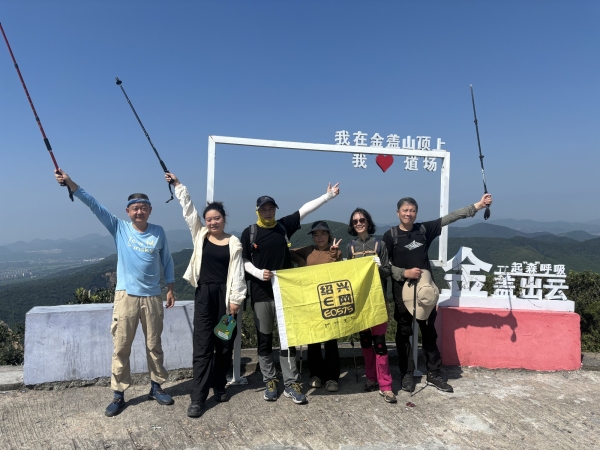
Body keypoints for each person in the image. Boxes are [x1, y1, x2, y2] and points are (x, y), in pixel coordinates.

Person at [54, 169, 175, 418]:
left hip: (153, 296)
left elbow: (167, 261)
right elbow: (94, 205)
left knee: (154, 345)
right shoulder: (119, 228)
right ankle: (118, 393)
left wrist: (170, 288)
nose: (139, 212)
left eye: (143, 208)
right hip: (125, 296)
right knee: (121, 346)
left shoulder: (159, 232)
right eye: (135, 208)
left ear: (150, 210)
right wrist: (70, 183)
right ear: (128, 211)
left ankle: (156, 386)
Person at [382, 193, 493, 394]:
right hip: (402, 291)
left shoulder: (424, 230)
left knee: (429, 332)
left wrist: (478, 205)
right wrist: (404, 273)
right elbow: (384, 265)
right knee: (404, 332)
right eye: (405, 210)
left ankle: (433, 373)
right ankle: (406, 373)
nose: (408, 214)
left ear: (416, 213)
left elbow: (451, 217)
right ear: (398, 213)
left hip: (426, 291)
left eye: (412, 210)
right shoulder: (390, 236)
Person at [242, 183, 340, 405]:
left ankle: (291, 382)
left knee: (288, 340)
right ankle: (269, 380)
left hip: (286, 294)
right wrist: (257, 272)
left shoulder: (283, 227)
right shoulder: (250, 232)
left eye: (271, 208)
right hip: (260, 293)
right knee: (264, 339)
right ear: (258, 211)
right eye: (264, 209)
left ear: (275, 209)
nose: (268, 212)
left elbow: (304, 210)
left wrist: (327, 196)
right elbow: (244, 260)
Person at [166, 173, 246, 418]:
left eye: (216, 218)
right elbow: (189, 212)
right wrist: (178, 186)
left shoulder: (234, 242)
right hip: (203, 295)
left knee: (224, 344)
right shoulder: (200, 235)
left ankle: (219, 385)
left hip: (226, 298)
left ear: (224, 219)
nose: (212, 222)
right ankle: (197, 398)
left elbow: (238, 273)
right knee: (202, 347)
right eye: (209, 219)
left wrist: (235, 300)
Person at [346, 208, 396, 404]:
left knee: (380, 345)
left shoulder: (379, 244)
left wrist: (379, 268)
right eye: (355, 221)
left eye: (362, 220)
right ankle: (371, 378)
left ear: (368, 222)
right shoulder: (350, 247)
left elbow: (388, 271)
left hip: (378, 301)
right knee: (366, 343)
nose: (359, 223)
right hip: (360, 303)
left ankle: (386, 385)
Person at [290, 221, 343, 392]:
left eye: (323, 234)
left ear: (329, 235)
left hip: (329, 301)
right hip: (311, 300)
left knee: (330, 340)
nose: (319, 237)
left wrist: (334, 254)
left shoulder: (336, 252)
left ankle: (332, 377)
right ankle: (315, 375)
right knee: (313, 339)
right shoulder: (308, 250)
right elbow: (288, 253)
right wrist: (300, 260)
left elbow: (338, 273)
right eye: (316, 234)